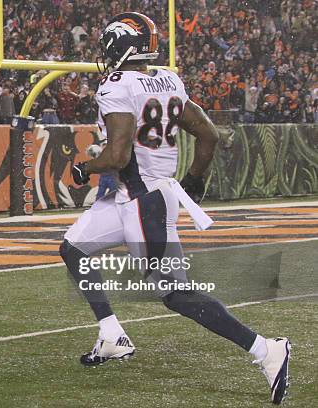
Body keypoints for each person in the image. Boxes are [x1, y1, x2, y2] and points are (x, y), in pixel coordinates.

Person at [60, 13, 290, 405]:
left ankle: (266, 349)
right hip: (135, 198)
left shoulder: (116, 85)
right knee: (73, 247)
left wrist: (84, 168)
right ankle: (112, 335)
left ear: (121, 47)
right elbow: (208, 133)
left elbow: (116, 155)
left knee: (176, 294)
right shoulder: (167, 78)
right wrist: (194, 181)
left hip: (143, 201)